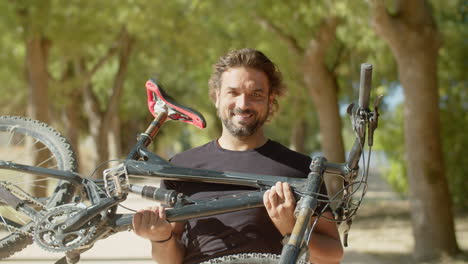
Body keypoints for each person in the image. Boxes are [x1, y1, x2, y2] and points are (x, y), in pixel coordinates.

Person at [132, 48, 344, 264]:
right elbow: (170, 260)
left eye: (256, 95)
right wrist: (160, 239)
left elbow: (332, 256)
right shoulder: (180, 167)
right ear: (216, 97)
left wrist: (292, 231)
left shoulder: (302, 170)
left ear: (271, 101)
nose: (243, 104)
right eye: (233, 93)